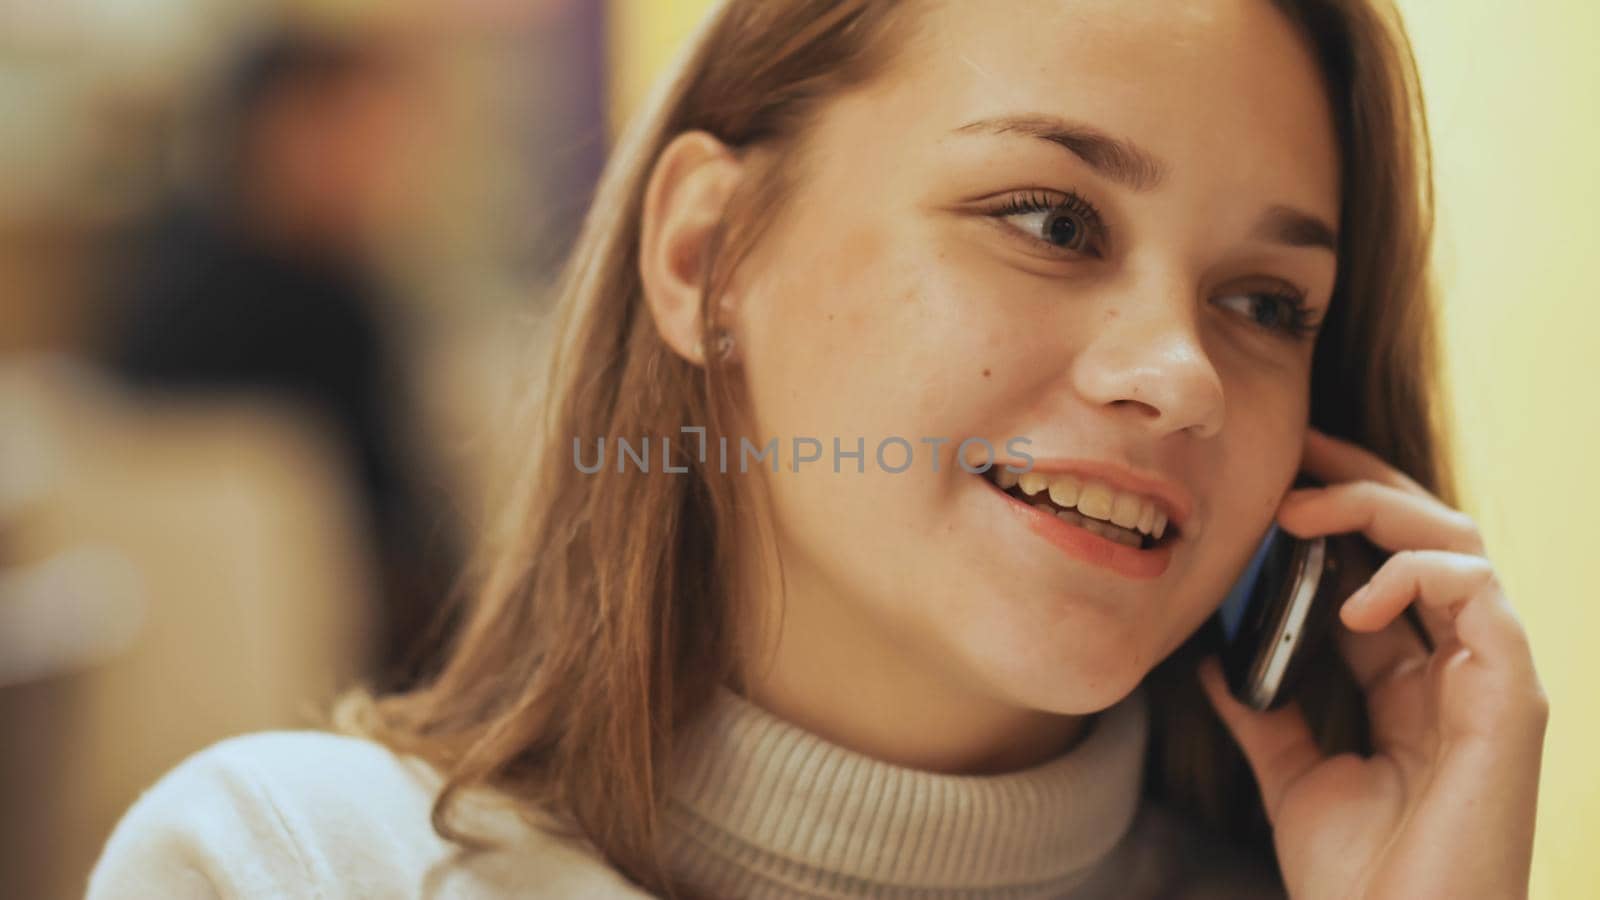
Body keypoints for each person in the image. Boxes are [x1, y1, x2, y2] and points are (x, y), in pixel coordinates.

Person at [86, 1, 1548, 898]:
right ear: (708, 256)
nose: (1181, 379)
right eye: (1050, 220)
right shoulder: (283, 868)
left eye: (1265, 303)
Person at [98, 29, 461, 691]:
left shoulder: (160, 262)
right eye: (366, 137)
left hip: (162, 676)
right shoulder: (326, 306)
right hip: (348, 666)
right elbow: (400, 538)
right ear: (283, 134)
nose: (387, 170)